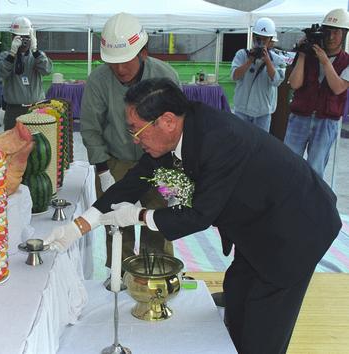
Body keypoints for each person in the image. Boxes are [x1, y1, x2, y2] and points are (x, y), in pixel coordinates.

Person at [46, 77, 341, 354]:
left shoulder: (220, 139)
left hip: (295, 230)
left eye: (135, 129)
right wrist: (80, 225)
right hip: (257, 222)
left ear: (168, 122)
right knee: (237, 295)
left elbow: (199, 215)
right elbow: (136, 179)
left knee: (263, 329)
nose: (134, 140)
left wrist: (139, 216)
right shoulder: (182, 128)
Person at [80, 12, 180, 269]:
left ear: (143, 53)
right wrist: (103, 170)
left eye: (125, 61)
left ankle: (156, 275)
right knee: (116, 225)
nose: (120, 69)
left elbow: (177, 127)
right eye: (113, 63)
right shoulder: (98, 81)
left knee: (157, 221)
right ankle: (120, 277)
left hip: (160, 162)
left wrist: (177, 174)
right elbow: (91, 129)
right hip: (115, 162)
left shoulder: (165, 76)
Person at [284, 8, 349, 178]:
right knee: (289, 163)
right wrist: (303, 54)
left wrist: (326, 62)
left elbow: (338, 88)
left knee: (315, 168)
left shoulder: (346, 61)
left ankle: (311, 202)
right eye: (328, 31)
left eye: (337, 32)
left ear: (344, 34)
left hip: (326, 121)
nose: (331, 37)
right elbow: (295, 84)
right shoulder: (308, 55)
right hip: (300, 116)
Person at [231, 17, 286, 132]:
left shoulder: (276, 59)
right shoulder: (242, 55)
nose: (260, 43)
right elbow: (235, 76)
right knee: (240, 144)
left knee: (260, 146)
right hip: (242, 111)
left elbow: (276, 81)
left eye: (264, 40)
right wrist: (249, 60)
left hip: (263, 114)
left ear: (271, 40)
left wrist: (267, 61)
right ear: (252, 37)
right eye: (257, 39)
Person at [0, 16, 53, 130]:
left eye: (26, 38)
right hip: (14, 110)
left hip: (35, 109)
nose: (24, 41)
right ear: (13, 37)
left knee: (36, 145)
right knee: (12, 145)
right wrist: (12, 54)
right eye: (20, 37)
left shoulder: (37, 56)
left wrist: (35, 51)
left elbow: (47, 70)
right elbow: (1, 73)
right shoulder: (5, 56)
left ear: (32, 37)